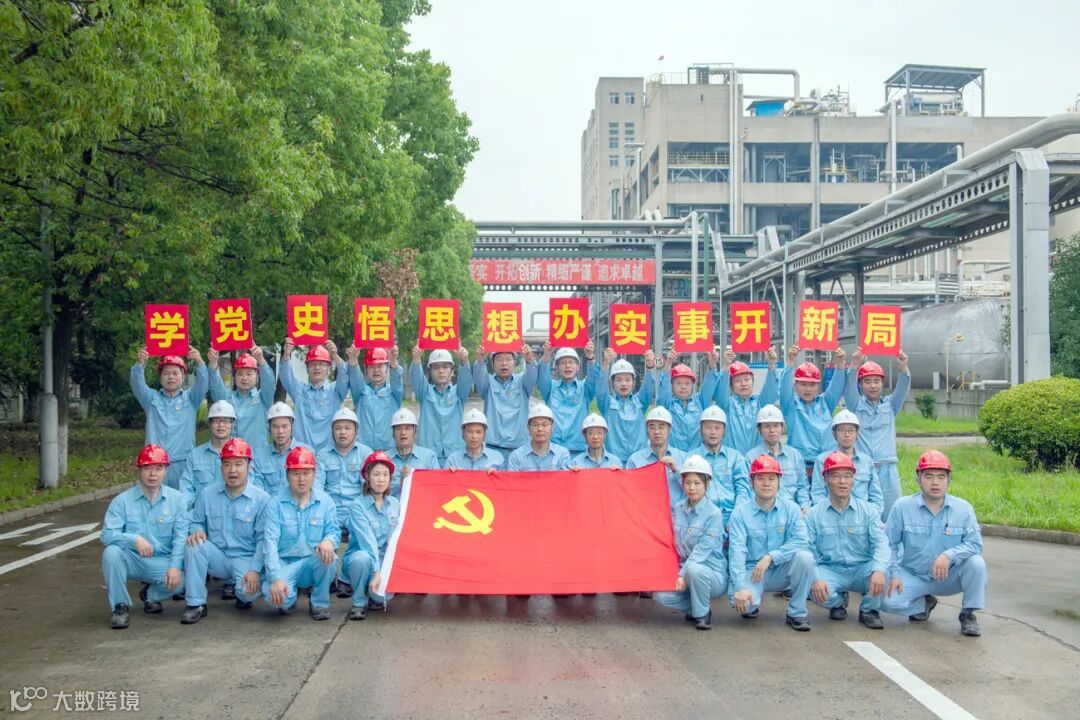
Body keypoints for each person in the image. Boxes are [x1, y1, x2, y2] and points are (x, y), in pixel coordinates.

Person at [882, 450, 986, 637]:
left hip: (948, 577)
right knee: (884, 601)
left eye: (941, 477)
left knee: (976, 563)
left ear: (948, 480)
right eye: (928, 476)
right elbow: (890, 544)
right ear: (918, 479)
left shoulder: (963, 509)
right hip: (912, 574)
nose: (935, 482)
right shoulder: (902, 507)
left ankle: (968, 613)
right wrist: (895, 574)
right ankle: (924, 604)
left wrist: (949, 555)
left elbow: (975, 544)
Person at [180, 438, 271, 625]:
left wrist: (255, 570)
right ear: (221, 467)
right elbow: (196, 521)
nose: (232, 470)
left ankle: (242, 593)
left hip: (246, 558)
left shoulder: (262, 499)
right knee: (194, 545)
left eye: (238, 464)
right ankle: (196, 604)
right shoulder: (207, 494)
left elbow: (264, 540)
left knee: (247, 594)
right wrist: (198, 530)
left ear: (249, 466)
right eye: (227, 464)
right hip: (218, 555)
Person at [101, 445, 189, 629]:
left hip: (162, 561)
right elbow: (107, 534)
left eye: (158, 468)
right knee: (111, 553)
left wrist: (175, 567)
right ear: (139, 470)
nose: (153, 474)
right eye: (147, 468)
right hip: (133, 559)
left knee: (184, 582)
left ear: (166, 470)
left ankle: (150, 595)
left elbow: (181, 538)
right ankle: (120, 607)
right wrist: (134, 539)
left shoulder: (177, 499)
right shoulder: (122, 501)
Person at [727, 454, 816, 631]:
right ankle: (753, 600)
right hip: (752, 570)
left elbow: (801, 540)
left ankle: (797, 612)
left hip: (781, 568)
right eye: (760, 478)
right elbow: (737, 552)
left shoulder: (791, 508)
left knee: (805, 558)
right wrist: (739, 587)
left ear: (779, 482)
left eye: (771, 478)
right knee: (744, 604)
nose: (766, 484)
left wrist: (770, 557)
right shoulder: (740, 513)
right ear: (751, 482)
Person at [805, 452, 890, 630]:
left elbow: (881, 544)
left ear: (853, 479)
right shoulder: (814, 514)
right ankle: (837, 602)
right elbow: (807, 549)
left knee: (884, 572)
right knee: (811, 586)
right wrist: (815, 577)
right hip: (831, 568)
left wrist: (879, 569)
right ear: (826, 479)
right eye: (836, 476)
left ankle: (869, 610)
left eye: (847, 476)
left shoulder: (868, 511)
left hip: (862, 568)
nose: (842, 481)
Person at [261, 445, 340, 620]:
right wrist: (275, 578)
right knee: (276, 598)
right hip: (285, 564)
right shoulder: (275, 504)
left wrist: (329, 541)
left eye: (306, 473)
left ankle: (319, 602)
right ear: (287, 475)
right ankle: (290, 596)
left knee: (330, 557)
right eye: (296, 473)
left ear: (314, 474)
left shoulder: (325, 501)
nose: (301, 479)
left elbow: (334, 531)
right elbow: (270, 543)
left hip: (312, 561)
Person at [654, 455, 729, 630]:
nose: (692, 487)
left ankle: (703, 614)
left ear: (707, 484)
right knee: (659, 595)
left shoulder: (714, 514)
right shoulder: (679, 508)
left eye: (697, 483)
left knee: (694, 570)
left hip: (711, 574)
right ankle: (695, 606)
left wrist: (682, 575)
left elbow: (701, 552)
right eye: (688, 483)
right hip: (684, 571)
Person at [844, 351, 911, 520]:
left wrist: (903, 368)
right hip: (862, 468)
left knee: (892, 514)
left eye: (876, 381)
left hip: (888, 468)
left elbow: (902, 389)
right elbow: (849, 387)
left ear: (882, 383)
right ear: (860, 384)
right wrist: (854, 367)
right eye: (867, 381)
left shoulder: (891, 405)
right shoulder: (855, 405)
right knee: (861, 514)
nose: (873, 386)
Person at [130, 347, 210, 489]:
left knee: (183, 500)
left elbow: (203, 384)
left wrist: (200, 362)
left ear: (183, 376)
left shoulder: (191, 398)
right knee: (154, 499)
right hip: (155, 463)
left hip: (183, 463)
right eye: (166, 373)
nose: (171, 377)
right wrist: (140, 364)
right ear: (160, 377)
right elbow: (137, 385)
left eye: (175, 373)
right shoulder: (151, 399)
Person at [344, 451, 401, 620]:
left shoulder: (395, 504)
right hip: (362, 557)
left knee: (381, 597)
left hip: (384, 560)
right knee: (361, 558)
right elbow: (367, 542)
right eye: (376, 474)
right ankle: (358, 601)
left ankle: (372, 593)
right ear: (367, 477)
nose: (381, 479)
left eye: (385, 474)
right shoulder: (357, 506)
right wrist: (376, 571)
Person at [779, 345, 847, 481]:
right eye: (803, 384)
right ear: (795, 385)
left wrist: (840, 364)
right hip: (800, 465)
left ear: (818, 386)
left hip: (827, 464)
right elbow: (784, 390)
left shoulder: (826, 402)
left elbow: (837, 386)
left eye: (812, 384)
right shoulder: (790, 406)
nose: (808, 389)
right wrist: (790, 362)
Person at [278, 340, 349, 455]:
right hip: (302, 454)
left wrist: (335, 355)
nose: (317, 368)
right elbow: (285, 376)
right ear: (307, 369)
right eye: (312, 364)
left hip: (329, 454)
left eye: (322, 364)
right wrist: (286, 354)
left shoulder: (335, 390)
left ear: (329, 369)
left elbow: (345, 376)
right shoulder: (299, 390)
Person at [810, 410, 883, 516]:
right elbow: (818, 494)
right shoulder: (822, 460)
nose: (847, 434)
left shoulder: (867, 461)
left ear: (857, 434)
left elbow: (876, 497)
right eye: (842, 430)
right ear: (834, 434)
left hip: (862, 517)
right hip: (831, 516)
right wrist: (827, 516)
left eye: (851, 430)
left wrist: (871, 516)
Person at [410, 345, 473, 465]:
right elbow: (416, 378)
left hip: (455, 455)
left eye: (445, 367)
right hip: (428, 455)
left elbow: (466, 379)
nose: (441, 371)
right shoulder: (424, 392)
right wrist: (416, 360)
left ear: (452, 371)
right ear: (430, 372)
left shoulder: (459, 392)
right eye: (436, 367)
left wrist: (464, 362)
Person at [688, 406, 750, 525]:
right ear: (701, 430)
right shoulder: (691, 458)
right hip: (703, 518)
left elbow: (743, 489)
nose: (713, 432)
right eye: (708, 427)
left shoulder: (736, 457)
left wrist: (736, 518)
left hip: (732, 515)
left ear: (724, 431)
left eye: (717, 428)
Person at [314, 408, 373, 532]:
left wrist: (361, 513)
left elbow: (368, 490)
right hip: (329, 510)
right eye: (338, 428)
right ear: (332, 432)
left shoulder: (366, 453)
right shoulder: (322, 455)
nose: (342, 432)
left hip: (357, 510)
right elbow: (317, 488)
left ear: (356, 431)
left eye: (347, 428)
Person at [650, 349, 721, 452]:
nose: (683, 387)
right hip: (673, 455)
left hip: (697, 455)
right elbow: (664, 390)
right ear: (671, 385)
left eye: (687, 383)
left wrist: (712, 366)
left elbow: (709, 385)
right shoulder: (667, 405)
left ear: (692, 385)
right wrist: (668, 365)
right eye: (678, 383)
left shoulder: (700, 402)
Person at [472, 345, 538, 454]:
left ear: (514, 362)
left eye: (508, 359)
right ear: (492, 364)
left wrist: (529, 360)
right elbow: (478, 374)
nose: (504, 363)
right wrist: (480, 361)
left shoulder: (523, 381)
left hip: (520, 446)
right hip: (493, 446)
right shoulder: (487, 382)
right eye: (499, 359)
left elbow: (532, 374)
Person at [207, 347, 276, 452]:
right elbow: (215, 387)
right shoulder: (227, 399)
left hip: (258, 457)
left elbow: (270, 383)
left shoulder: (263, 398)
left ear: (257, 377)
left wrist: (261, 360)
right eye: (240, 374)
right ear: (234, 377)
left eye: (249, 374)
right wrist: (213, 363)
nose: (244, 378)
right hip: (233, 457)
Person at [537, 342, 600, 454]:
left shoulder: (585, 389)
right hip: (553, 450)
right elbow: (542, 374)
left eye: (571, 362)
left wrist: (590, 357)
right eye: (563, 363)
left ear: (577, 367)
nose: (567, 366)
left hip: (579, 450)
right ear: (557, 367)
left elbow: (595, 377)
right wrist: (546, 355)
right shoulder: (550, 387)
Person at [595, 349, 655, 464]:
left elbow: (648, 387)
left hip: (639, 461)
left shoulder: (640, 401)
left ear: (633, 382)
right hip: (613, 462)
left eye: (628, 380)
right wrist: (606, 364)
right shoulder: (607, 403)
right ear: (612, 383)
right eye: (619, 380)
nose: (623, 384)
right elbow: (601, 389)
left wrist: (650, 366)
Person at [715, 347, 779, 455]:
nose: (743, 384)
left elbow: (771, 389)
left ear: (752, 382)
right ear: (731, 386)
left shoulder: (760, 402)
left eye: (747, 379)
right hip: (733, 461)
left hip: (758, 459)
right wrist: (726, 367)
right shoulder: (727, 404)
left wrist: (772, 365)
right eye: (738, 381)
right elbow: (721, 393)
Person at [745, 405, 809, 511]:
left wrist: (804, 507)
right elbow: (749, 490)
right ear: (759, 429)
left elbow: (802, 487)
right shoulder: (751, 457)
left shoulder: (794, 455)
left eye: (776, 426)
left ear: (782, 428)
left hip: (792, 512)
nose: (772, 430)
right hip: (764, 510)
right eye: (766, 426)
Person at [179, 400, 236, 509]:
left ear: (232, 424)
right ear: (209, 424)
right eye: (216, 420)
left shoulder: (241, 455)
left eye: (226, 421)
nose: (221, 425)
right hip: (201, 513)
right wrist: (186, 512)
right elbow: (186, 489)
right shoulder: (195, 455)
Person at [347, 345, 404, 452]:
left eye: (380, 366)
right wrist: (353, 360)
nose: (376, 370)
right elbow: (355, 378)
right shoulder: (360, 391)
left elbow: (397, 379)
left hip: (389, 450)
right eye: (372, 366)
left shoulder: (394, 392)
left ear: (387, 368)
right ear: (366, 369)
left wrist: (393, 362)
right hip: (363, 451)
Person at [627, 406, 686, 509]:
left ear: (670, 430)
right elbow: (628, 492)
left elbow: (693, 488)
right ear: (647, 431)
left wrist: (676, 471)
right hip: (645, 514)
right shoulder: (635, 460)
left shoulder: (682, 458)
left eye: (661, 427)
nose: (657, 432)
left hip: (676, 516)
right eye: (652, 427)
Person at [387, 408, 441, 494]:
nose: (403, 432)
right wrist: (400, 484)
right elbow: (377, 492)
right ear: (393, 433)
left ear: (414, 431)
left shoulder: (429, 457)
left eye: (407, 428)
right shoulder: (384, 459)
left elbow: (438, 487)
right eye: (398, 428)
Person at [253, 402, 301, 497]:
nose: (280, 431)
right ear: (269, 428)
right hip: (266, 504)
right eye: (275, 427)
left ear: (292, 426)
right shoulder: (259, 456)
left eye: (284, 426)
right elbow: (257, 490)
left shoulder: (305, 453)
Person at [506, 404, 572, 471]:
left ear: (552, 427)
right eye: (535, 425)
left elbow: (567, 477)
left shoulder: (562, 454)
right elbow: (512, 478)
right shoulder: (516, 456)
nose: (540, 429)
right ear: (528, 427)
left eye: (544, 425)